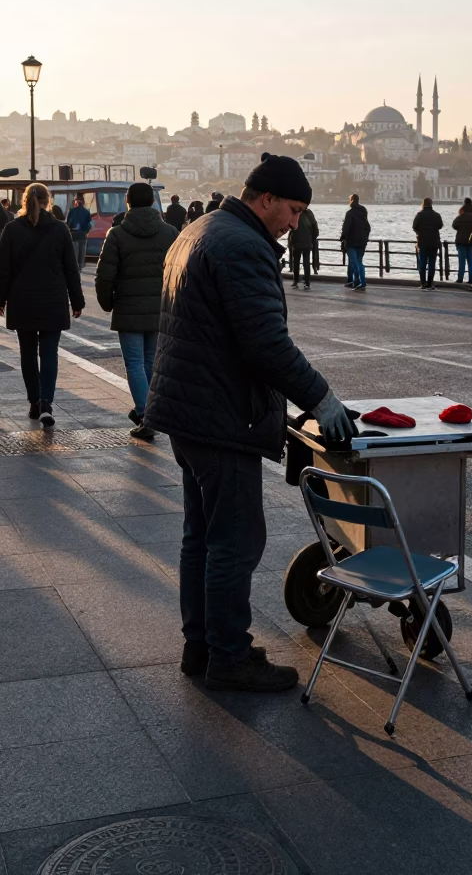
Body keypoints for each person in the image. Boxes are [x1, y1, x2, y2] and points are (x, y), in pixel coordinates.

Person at [144, 152, 355, 694]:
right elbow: (265, 344)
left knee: (202, 537)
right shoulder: (241, 247)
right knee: (235, 541)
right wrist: (322, 398)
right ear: (265, 199)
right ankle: (230, 656)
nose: (296, 222)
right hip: (221, 418)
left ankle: (202, 645)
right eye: (292, 209)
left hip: (187, 412)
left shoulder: (199, 228)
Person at [95, 181, 177, 440]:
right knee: (151, 362)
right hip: (160, 309)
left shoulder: (117, 235)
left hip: (128, 308)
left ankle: (145, 415)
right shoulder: (171, 233)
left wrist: (107, 302)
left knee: (134, 363)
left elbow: (105, 275)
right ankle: (150, 412)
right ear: (153, 202)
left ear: (127, 202)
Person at [0, 183, 84, 426]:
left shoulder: (12, 229)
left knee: (27, 354)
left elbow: (4, 270)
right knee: (49, 354)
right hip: (53, 300)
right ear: (49, 201)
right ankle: (47, 402)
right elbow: (71, 269)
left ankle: (34, 403)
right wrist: (77, 301)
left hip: (22, 300)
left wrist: (1, 299)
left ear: (24, 201)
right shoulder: (60, 229)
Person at [341, 194, 370, 292]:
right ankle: (358, 282)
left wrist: (342, 237)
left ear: (351, 200)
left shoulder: (349, 213)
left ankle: (360, 283)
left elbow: (346, 228)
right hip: (362, 241)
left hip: (352, 241)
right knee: (359, 262)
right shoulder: (363, 212)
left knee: (355, 262)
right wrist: (365, 237)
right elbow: (368, 227)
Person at [412, 197, 443, 290]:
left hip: (422, 242)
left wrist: (419, 232)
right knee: (432, 263)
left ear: (423, 204)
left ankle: (423, 283)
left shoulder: (419, 215)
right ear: (431, 204)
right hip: (434, 242)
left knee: (422, 263)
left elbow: (414, 226)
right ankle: (430, 283)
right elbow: (440, 226)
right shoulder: (437, 215)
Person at [287, 206, 319, 289]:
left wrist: (291, 240)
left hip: (296, 242)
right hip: (307, 242)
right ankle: (307, 283)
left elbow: (290, 226)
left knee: (296, 262)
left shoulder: (295, 212)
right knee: (306, 263)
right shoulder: (309, 214)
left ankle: (295, 281)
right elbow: (316, 229)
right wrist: (311, 239)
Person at [452, 197, 472, 283]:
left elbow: (454, 225)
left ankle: (460, 278)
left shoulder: (461, 216)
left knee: (461, 261)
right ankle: (471, 279)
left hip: (461, 241)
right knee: (471, 261)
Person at [66, 194, 92, 268]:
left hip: (73, 236)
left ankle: (76, 269)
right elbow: (89, 225)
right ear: (83, 202)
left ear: (76, 202)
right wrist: (86, 232)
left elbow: (67, 223)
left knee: (74, 256)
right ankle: (80, 268)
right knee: (81, 256)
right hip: (83, 236)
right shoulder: (87, 212)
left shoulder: (71, 211)